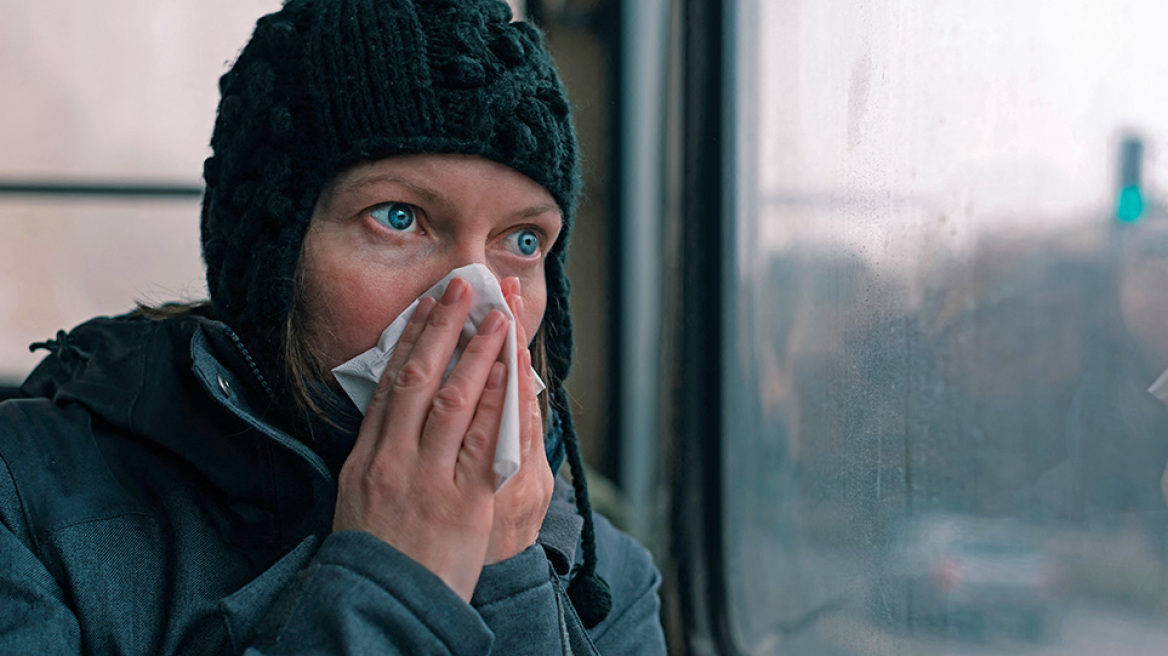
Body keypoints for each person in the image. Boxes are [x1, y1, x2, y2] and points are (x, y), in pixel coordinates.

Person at [0, 0, 667, 653]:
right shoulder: (25, 501)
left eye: (523, 241)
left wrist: (511, 586)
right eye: (399, 217)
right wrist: (396, 583)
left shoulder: (608, 577)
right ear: (274, 259)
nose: (475, 304)